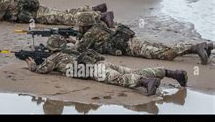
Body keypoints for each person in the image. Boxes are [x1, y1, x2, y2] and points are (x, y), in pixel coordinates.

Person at [25, 35, 188, 96]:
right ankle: (173, 73)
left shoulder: (56, 56)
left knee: (121, 79)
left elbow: (43, 70)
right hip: (102, 62)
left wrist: (32, 66)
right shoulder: (71, 49)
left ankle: (146, 82)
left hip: (95, 70)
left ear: (52, 48)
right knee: (133, 70)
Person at [73, 12, 213, 65]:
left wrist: (72, 41)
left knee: (164, 54)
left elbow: (79, 49)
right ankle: (206, 46)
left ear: (85, 25)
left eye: (80, 26)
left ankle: (196, 47)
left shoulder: (91, 33)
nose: (78, 28)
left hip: (130, 46)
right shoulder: (97, 27)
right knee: (163, 49)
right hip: (130, 41)